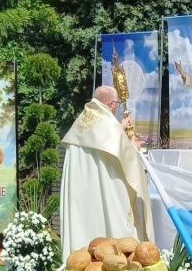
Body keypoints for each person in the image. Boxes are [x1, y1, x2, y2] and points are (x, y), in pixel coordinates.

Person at [60, 85, 154, 258]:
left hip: (83, 195)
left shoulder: (82, 121)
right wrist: (133, 146)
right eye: (117, 103)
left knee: (85, 228)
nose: (118, 107)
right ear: (111, 103)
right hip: (106, 193)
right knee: (115, 229)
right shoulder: (108, 125)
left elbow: (100, 151)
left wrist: (119, 127)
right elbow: (123, 158)